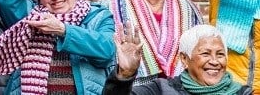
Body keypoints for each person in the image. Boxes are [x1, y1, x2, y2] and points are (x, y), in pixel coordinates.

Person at [103, 25, 251, 95]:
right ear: (184, 59)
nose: (214, 61)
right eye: (205, 53)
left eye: (220, 54)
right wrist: (125, 74)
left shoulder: (242, 93)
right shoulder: (160, 90)